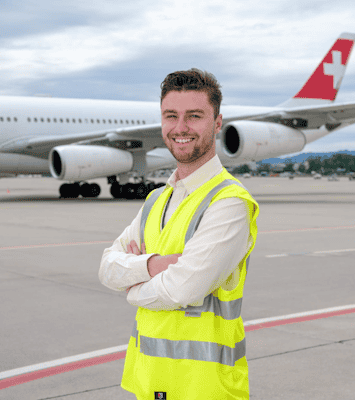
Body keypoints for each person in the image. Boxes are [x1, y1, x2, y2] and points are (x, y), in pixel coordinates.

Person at [99, 68, 259, 400]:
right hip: (150, 383)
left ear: (217, 123)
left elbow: (182, 289)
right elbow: (107, 268)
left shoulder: (229, 202)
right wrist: (154, 265)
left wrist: (131, 289)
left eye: (194, 116)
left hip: (205, 388)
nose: (180, 128)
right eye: (171, 116)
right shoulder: (156, 200)